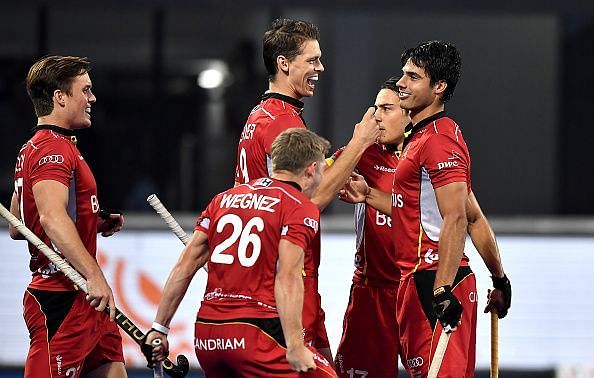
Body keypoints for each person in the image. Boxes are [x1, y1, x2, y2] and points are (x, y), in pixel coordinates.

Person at [340, 41, 512, 377]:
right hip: (417, 282)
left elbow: (459, 217)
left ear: (439, 87)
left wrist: (443, 289)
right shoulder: (420, 139)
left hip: (434, 282)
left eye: (413, 77)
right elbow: (469, 214)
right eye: (403, 75)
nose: (402, 83)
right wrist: (500, 279)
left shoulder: (439, 140)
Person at [233, 18, 380, 364]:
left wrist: (340, 158)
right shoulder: (284, 121)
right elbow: (307, 201)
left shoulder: (261, 114)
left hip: (262, 275)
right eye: (312, 60)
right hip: (286, 276)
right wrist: (360, 144)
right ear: (284, 64)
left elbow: (296, 184)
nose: (320, 68)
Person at [145, 128, 337, 377]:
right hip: (256, 333)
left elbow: (185, 264)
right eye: (322, 169)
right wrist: (295, 345)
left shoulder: (223, 199)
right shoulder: (299, 207)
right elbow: (288, 277)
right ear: (311, 169)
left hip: (207, 335)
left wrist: (159, 328)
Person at [9, 56, 126, 377]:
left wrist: (93, 220)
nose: (93, 99)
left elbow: (18, 226)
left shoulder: (35, 148)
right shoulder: (53, 151)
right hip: (62, 297)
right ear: (60, 97)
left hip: (84, 300)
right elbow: (49, 218)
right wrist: (95, 276)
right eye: (85, 90)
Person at [330, 77, 409, 377]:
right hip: (371, 293)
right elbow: (319, 179)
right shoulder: (364, 153)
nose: (376, 116)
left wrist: (369, 195)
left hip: (416, 291)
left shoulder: (428, 156)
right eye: (375, 108)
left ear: (408, 113)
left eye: (386, 108)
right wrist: (356, 143)